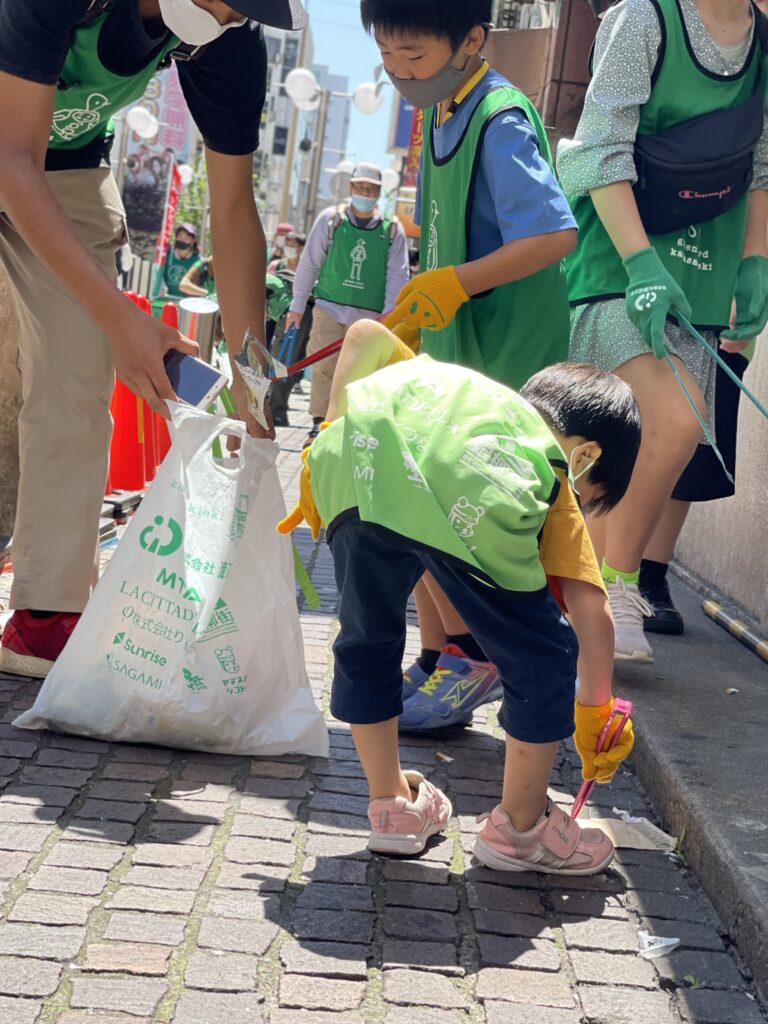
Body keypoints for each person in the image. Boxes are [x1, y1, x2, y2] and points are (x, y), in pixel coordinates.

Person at [0, 0, 307, 679]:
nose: (228, 13)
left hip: (64, 162)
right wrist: (121, 318)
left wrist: (254, 392)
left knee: (75, 371)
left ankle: (46, 617)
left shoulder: (226, 43)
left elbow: (230, 214)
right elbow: (9, 156)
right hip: (14, 146)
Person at [278, 318, 640, 870]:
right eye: (588, 498)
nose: (576, 507)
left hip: (350, 466)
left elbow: (365, 334)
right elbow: (595, 614)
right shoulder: (545, 458)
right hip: (473, 488)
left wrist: (330, 431)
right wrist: (596, 711)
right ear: (586, 457)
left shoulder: (459, 392)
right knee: (543, 657)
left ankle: (393, 808)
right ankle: (521, 831)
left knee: (367, 643)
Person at [359, 0, 579, 728]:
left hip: (509, 359)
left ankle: (473, 658)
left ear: (472, 41)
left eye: (413, 57)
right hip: (459, 354)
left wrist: (454, 283)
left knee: (462, 522)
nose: (398, 73)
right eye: (387, 57)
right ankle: (439, 657)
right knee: (408, 497)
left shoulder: (499, 116)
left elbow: (552, 235)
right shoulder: (443, 112)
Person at [557, 0, 768, 663]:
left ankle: (577, 608)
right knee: (675, 423)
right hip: (615, 270)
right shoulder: (642, 20)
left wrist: (756, 264)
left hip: (702, 287)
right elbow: (598, 150)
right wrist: (641, 263)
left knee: (616, 465)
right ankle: (613, 589)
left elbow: (761, 168)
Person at [284, 162, 409, 447]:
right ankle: (318, 423)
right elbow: (309, 264)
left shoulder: (392, 229)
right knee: (324, 366)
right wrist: (297, 305)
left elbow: (398, 274)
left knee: (361, 372)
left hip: (370, 317)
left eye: (371, 188)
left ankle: (349, 426)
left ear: (379, 192)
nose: (364, 192)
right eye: (360, 187)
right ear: (350, 188)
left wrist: (389, 315)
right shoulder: (332, 219)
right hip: (329, 307)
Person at [639, 341, 754, 634]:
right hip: (647, 324)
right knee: (632, 443)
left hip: (720, 333)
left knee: (691, 455)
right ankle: (603, 574)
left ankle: (650, 577)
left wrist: (746, 301)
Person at [267, 234, 314, 427]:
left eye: (293, 245)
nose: (289, 248)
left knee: (294, 361)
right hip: (278, 317)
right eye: (287, 245)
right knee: (282, 360)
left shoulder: (309, 267)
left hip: (303, 315)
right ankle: (274, 410)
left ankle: (277, 408)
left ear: (302, 248)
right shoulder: (276, 265)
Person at [158, 222, 199, 300]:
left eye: (186, 237)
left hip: (186, 305)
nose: (183, 240)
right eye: (180, 236)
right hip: (164, 301)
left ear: (193, 241)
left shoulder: (198, 261)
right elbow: (158, 275)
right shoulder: (166, 255)